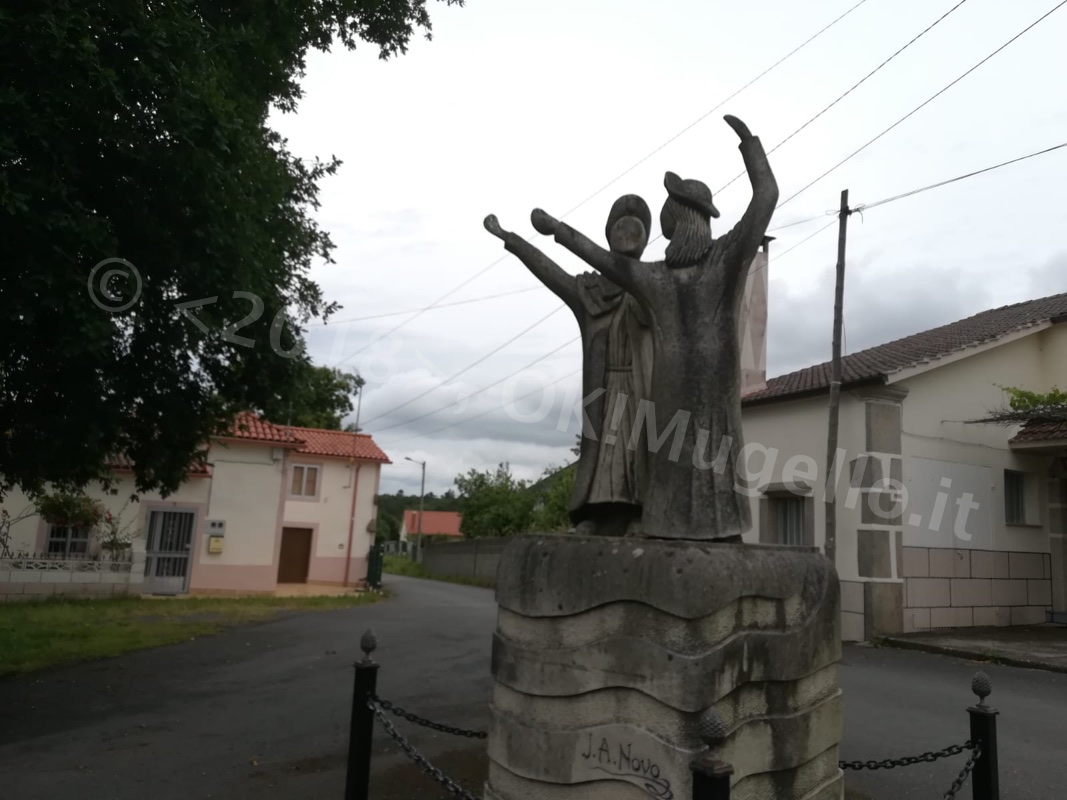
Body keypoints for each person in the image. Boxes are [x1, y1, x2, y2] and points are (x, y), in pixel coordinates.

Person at [528, 115, 778, 541]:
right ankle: (663, 525)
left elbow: (766, 196)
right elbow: (606, 261)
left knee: (716, 454)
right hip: (666, 389)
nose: (666, 234)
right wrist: (557, 232)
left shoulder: (726, 258)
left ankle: (724, 530)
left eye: (670, 224)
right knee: (667, 461)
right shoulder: (657, 276)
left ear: (687, 220)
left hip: (713, 387)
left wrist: (749, 145)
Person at [483, 195, 654, 536]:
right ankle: (591, 515)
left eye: (635, 230)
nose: (627, 234)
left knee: (640, 455)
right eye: (619, 227)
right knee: (601, 455)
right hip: (603, 391)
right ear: (607, 236)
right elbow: (550, 272)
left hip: (640, 391)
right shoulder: (588, 292)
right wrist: (512, 240)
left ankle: (641, 513)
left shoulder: (652, 286)